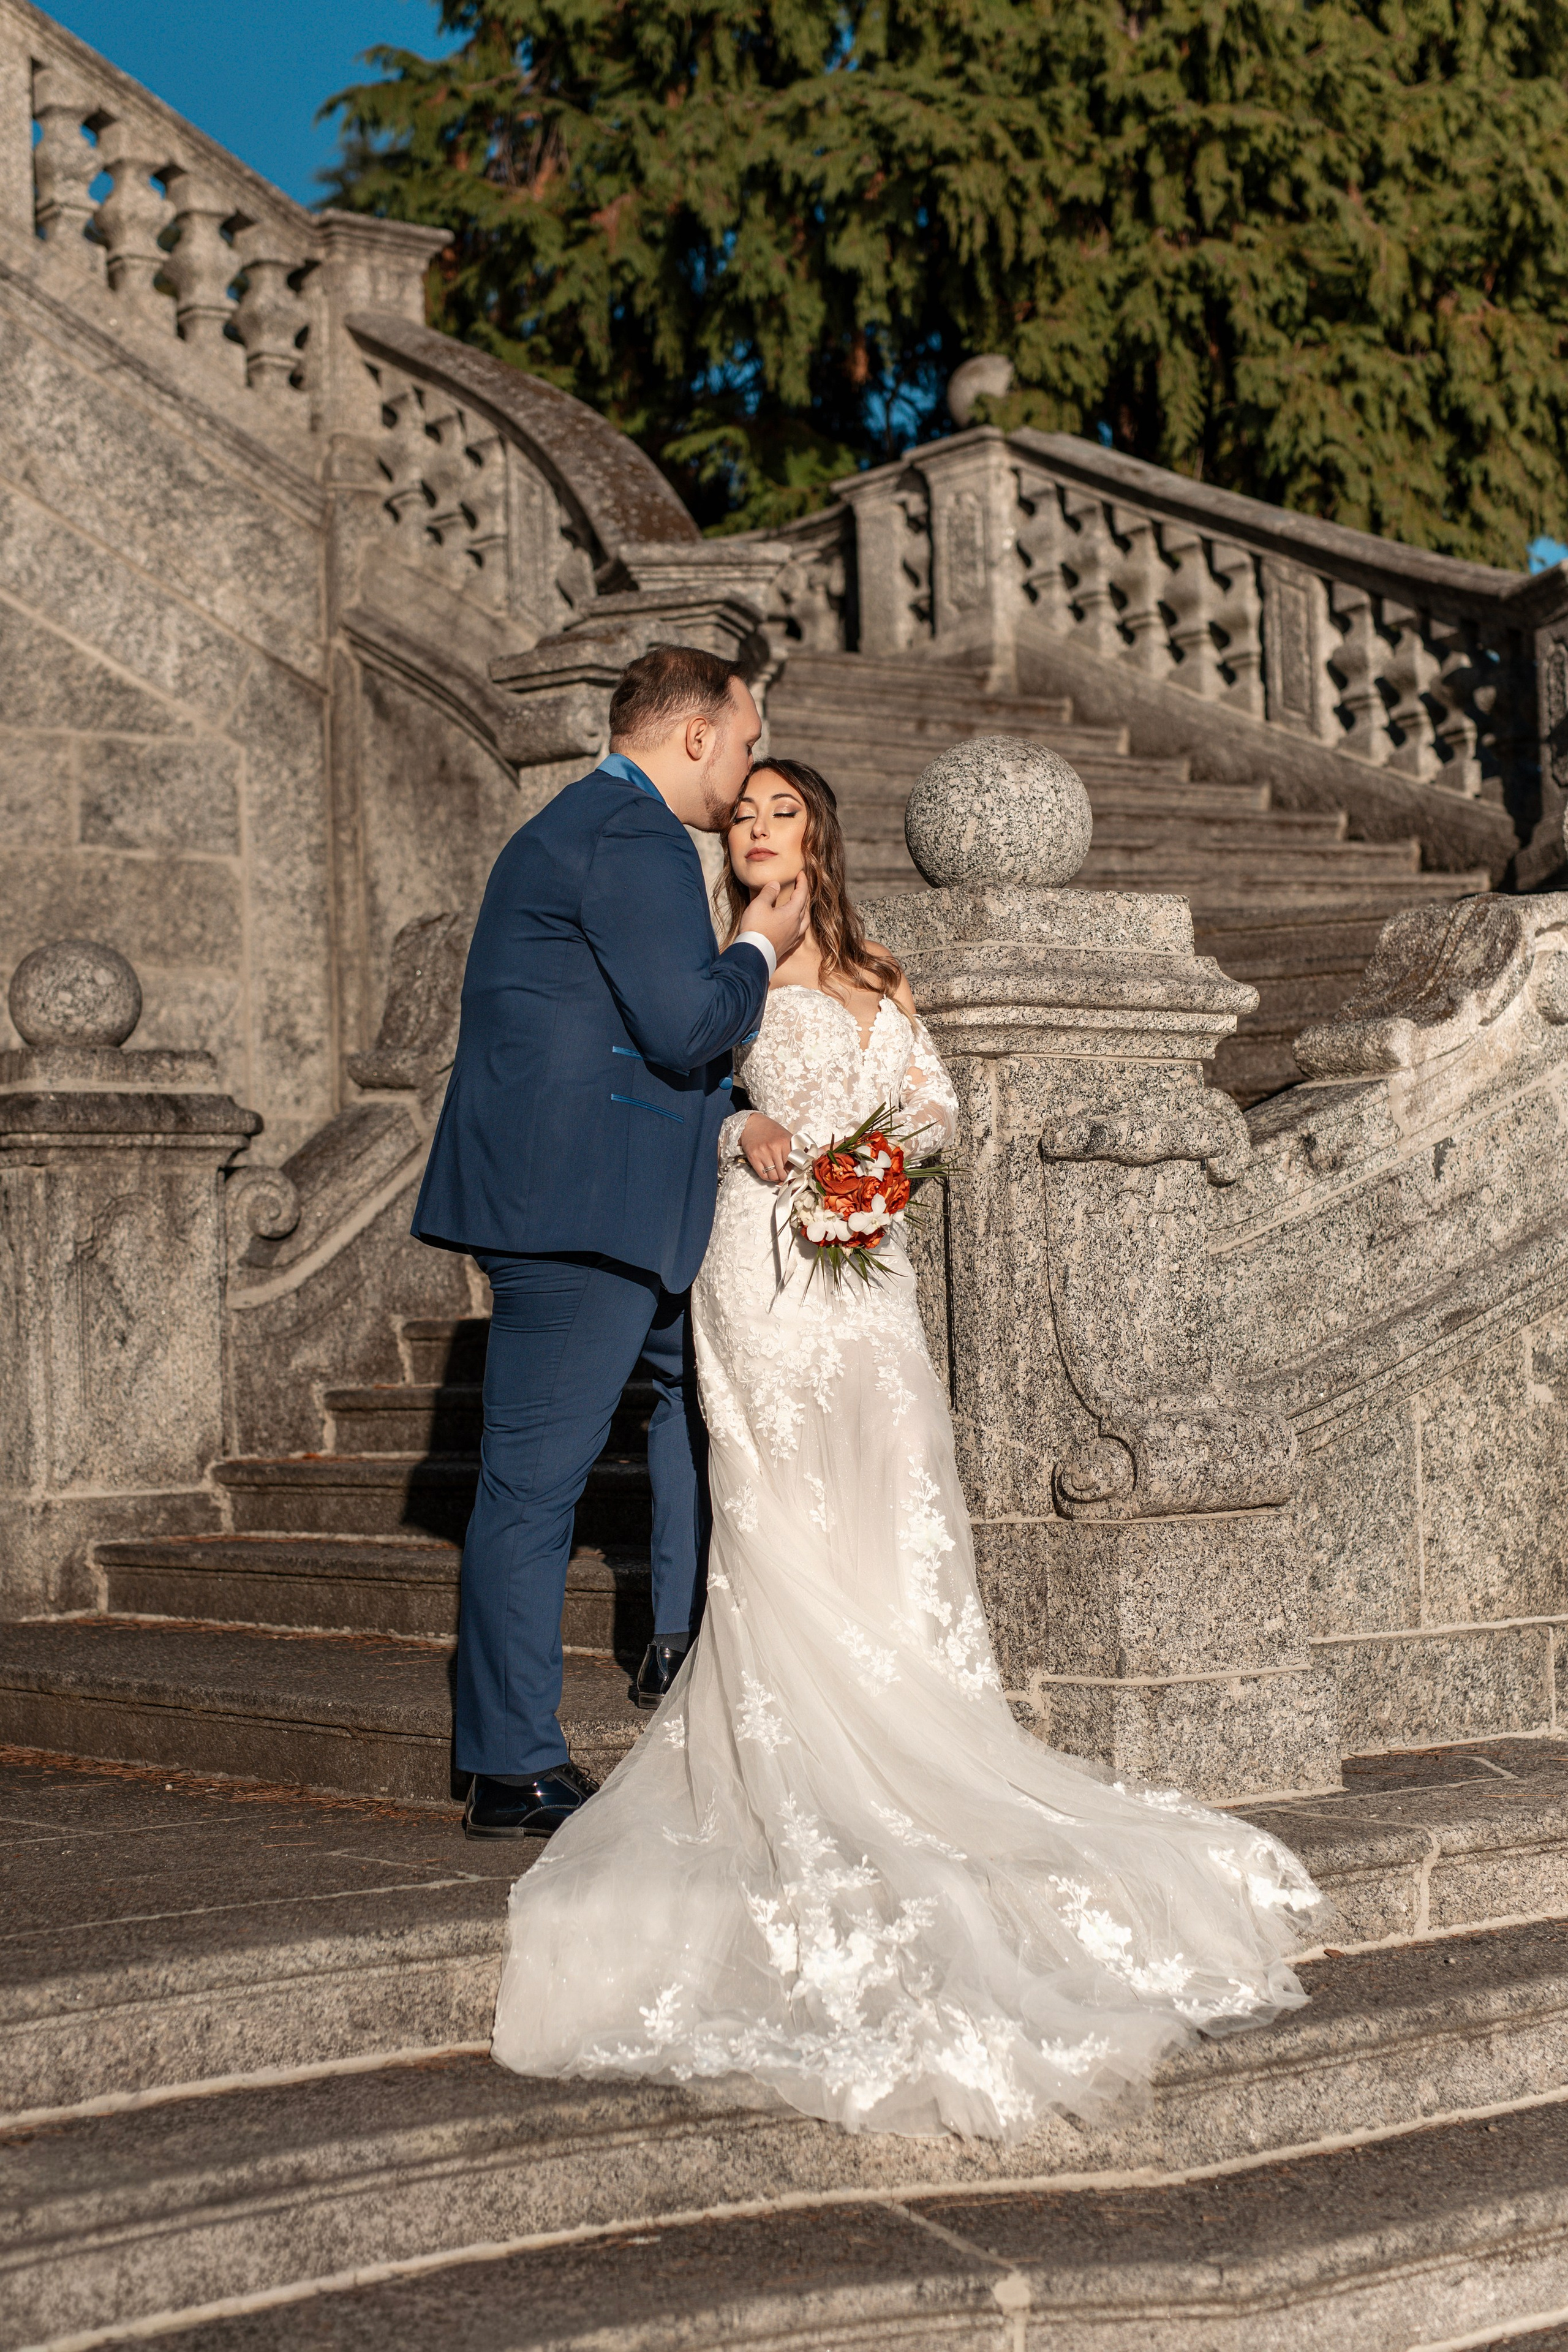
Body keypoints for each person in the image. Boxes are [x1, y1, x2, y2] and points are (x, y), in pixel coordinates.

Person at [488, 756, 1329, 2144]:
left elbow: (934, 1100)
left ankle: (920, 1716)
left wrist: (886, 1159)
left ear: (816, 832)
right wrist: (740, 1125)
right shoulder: (700, 958)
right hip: (756, 1259)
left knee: (890, 1478)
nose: (756, 829)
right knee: (773, 1493)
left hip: (866, 1265)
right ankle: (807, 1735)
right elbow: (653, 1082)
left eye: (781, 812)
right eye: (742, 813)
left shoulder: (880, 965)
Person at [412, 647, 810, 1840]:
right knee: (531, 1492)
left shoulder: (576, 826)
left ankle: (672, 1650)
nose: (743, 774)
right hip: (580, 1211)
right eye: (742, 744)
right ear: (693, 734)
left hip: (589, 1203)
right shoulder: (629, 834)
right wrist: (754, 945)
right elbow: (684, 1020)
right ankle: (511, 1764)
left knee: (676, 1411)